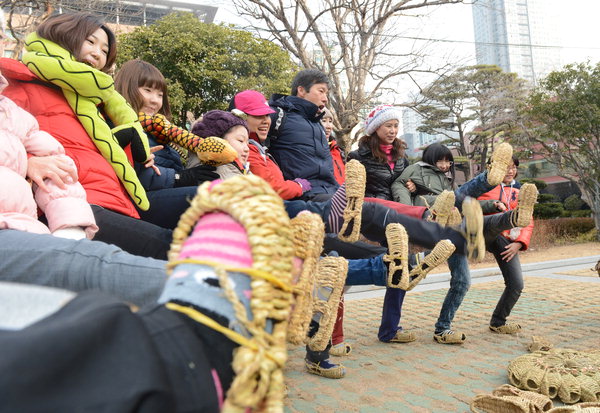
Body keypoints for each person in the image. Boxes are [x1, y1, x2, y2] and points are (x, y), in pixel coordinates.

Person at [0, 12, 175, 259]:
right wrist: (28, 161)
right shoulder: (21, 82)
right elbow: (8, 135)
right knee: (173, 246)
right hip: (68, 206)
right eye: (90, 42)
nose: (97, 54)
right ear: (63, 37)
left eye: (104, 51)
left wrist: (140, 158)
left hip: (117, 201)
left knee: (211, 209)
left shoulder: (97, 101)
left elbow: (105, 158)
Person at [114, 59, 225, 229]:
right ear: (127, 88)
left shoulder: (160, 131)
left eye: (160, 95)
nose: (155, 101)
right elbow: (133, 175)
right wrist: (180, 178)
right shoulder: (120, 125)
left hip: (160, 194)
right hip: (138, 200)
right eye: (147, 90)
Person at [0, 69, 98, 240]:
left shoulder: (15, 115)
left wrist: (70, 228)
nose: (97, 53)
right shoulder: (28, 89)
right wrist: (26, 161)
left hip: (25, 230)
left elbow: (55, 164)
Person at [478, 157, 536, 334]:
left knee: (516, 284)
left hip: (505, 241)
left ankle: (498, 321)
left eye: (514, 167)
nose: (511, 171)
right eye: (506, 167)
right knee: (498, 219)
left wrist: (519, 243)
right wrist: (492, 204)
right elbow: (466, 204)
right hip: (483, 230)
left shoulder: (519, 191)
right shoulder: (482, 186)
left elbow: (528, 219)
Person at [268, 68, 339, 200]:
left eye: (326, 94)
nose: (325, 99)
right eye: (321, 91)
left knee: (380, 206)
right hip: (302, 196)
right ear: (301, 90)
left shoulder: (317, 124)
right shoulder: (277, 115)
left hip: (331, 192)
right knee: (374, 212)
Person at [191, 110, 250, 179]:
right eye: (241, 140)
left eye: (247, 143)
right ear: (217, 140)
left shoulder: (239, 169)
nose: (247, 149)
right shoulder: (214, 174)